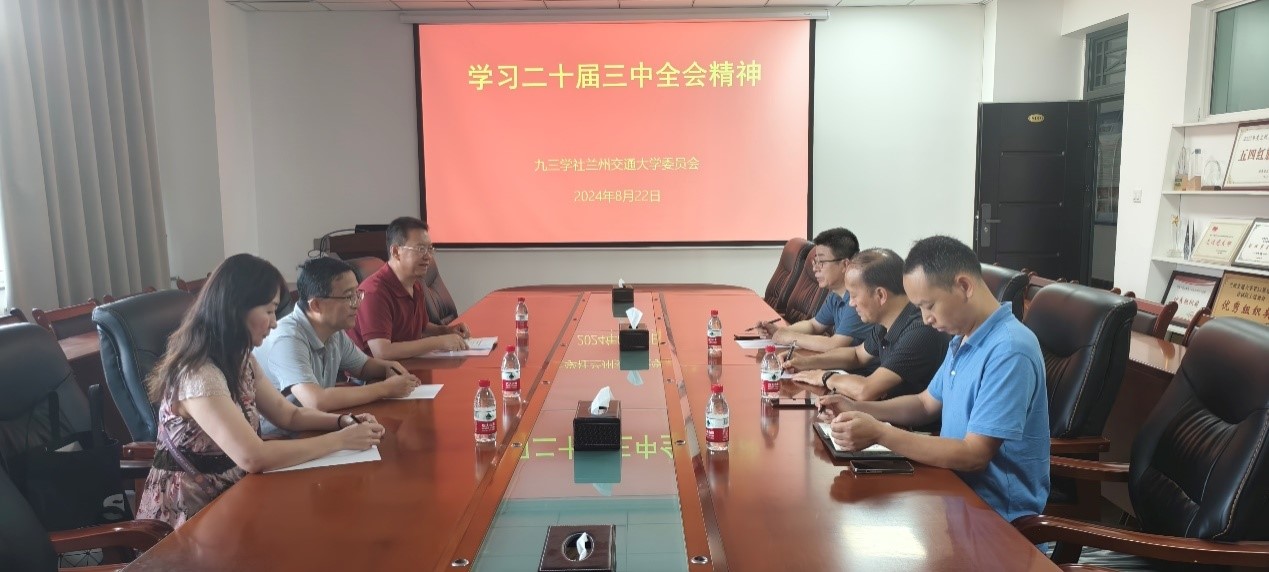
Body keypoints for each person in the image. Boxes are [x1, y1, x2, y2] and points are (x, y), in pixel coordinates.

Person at [137, 254, 386, 529]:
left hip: (235, 497)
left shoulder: (241, 359)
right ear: (237, 309)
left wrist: (342, 421)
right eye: (269, 311)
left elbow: (288, 414)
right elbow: (252, 457)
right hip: (190, 518)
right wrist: (340, 440)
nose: (274, 322)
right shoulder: (199, 374)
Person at [817, 236, 1049, 523]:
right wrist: (858, 408)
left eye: (929, 305)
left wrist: (881, 433)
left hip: (994, 517)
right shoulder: (963, 337)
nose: (925, 319)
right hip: (948, 491)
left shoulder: (1010, 350)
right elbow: (925, 403)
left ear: (964, 286)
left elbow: (974, 454)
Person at [254, 257, 423, 435]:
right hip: (281, 438)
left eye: (357, 294)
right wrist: (386, 388)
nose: (357, 304)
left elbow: (363, 366)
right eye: (349, 297)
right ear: (316, 305)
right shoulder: (287, 338)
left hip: (318, 425)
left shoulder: (333, 330)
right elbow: (316, 401)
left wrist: (389, 367)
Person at [787, 249, 950, 402]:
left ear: (880, 295)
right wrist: (805, 362)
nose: (851, 303)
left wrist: (824, 377)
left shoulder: (920, 331)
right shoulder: (887, 321)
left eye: (854, 295)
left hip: (907, 421)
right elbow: (857, 355)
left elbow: (866, 390)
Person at [348, 217, 469, 360]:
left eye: (430, 249)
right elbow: (382, 352)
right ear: (396, 252)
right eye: (420, 249)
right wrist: (439, 342)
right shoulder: (374, 292)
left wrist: (447, 331)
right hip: (375, 372)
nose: (428, 256)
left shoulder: (415, 284)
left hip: (406, 364)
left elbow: (422, 327)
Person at [755, 227, 874, 352]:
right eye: (815, 261)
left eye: (821, 262)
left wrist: (790, 337)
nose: (815, 268)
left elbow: (834, 345)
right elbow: (814, 325)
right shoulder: (835, 295)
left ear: (845, 264)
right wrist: (779, 331)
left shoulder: (856, 300)